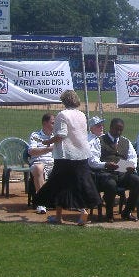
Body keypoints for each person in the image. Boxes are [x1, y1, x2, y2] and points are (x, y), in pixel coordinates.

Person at [34, 90, 101, 226]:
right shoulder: (82, 115)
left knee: (58, 184)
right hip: (81, 154)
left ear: (64, 101)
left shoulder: (62, 115)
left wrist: (47, 142)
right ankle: (72, 214)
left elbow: (61, 134)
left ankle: (74, 213)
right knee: (79, 184)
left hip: (66, 155)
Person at [89, 117, 139, 222]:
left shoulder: (126, 141)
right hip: (105, 174)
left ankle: (127, 212)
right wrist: (105, 164)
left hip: (122, 174)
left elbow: (133, 157)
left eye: (120, 130)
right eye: (116, 129)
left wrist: (132, 166)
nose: (118, 132)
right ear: (110, 128)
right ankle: (109, 214)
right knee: (111, 184)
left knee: (138, 182)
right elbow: (92, 160)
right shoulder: (99, 141)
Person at [27, 113, 55, 215]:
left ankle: (74, 203)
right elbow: (31, 151)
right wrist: (48, 149)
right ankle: (41, 203)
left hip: (53, 165)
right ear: (44, 123)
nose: (54, 125)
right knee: (39, 167)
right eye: (52, 123)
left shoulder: (56, 136)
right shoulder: (35, 135)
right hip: (38, 163)